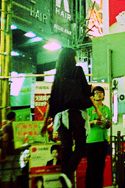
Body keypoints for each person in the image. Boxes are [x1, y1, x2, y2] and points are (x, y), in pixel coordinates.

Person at [40, 48, 95, 188]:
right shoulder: (78, 71)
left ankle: (66, 182)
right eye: (75, 56)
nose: (76, 58)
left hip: (59, 118)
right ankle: (66, 173)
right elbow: (88, 93)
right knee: (81, 147)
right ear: (72, 58)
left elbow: (51, 101)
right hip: (75, 114)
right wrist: (98, 111)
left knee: (66, 148)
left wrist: (45, 123)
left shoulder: (58, 75)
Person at [86, 86, 112, 188]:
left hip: (103, 140)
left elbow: (108, 123)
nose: (99, 94)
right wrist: (94, 121)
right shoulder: (89, 109)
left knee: (101, 167)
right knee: (91, 167)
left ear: (104, 95)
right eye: (96, 93)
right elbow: (84, 123)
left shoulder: (106, 109)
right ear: (93, 95)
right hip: (91, 141)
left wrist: (108, 124)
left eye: (101, 92)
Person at [0, 111, 20, 188]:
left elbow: (5, 139)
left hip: (9, 154)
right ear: (14, 117)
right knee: (16, 174)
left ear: (7, 118)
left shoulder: (6, 127)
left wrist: (4, 152)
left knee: (6, 175)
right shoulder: (18, 126)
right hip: (17, 152)